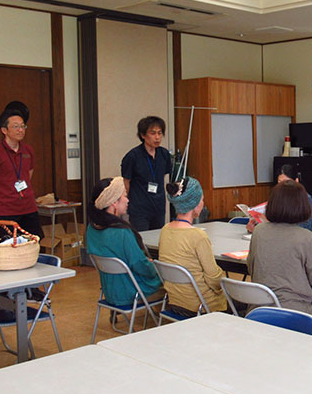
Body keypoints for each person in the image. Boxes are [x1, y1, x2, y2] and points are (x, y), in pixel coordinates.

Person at [247, 180, 312, 337]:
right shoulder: (306, 237)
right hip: (296, 315)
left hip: (259, 311)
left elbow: (251, 267)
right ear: (302, 206)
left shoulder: (259, 231)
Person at [86, 176, 162, 307]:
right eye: (125, 196)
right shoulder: (122, 232)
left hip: (110, 291)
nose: (128, 200)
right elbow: (140, 265)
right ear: (114, 202)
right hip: (133, 292)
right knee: (170, 278)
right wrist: (156, 268)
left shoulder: (91, 229)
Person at [158, 177, 227, 315]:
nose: (203, 203)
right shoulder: (198, 236)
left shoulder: (165, 230)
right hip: (203, 305)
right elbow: (214, 279)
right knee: (244, 304)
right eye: (202, 200)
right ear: (195, 204)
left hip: (176, 302)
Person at [0, 101, 43, 240]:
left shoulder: (28, 150)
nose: (21, 130)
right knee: (9, 250)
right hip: (4, 212)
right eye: (15, 127)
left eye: (22, 126)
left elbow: (27, 177)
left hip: (28, 209)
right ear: (4, 130)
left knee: (33, 247)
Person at [121, 116, 172, 231]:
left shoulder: (164, 154)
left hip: (158, 206)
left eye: (160, 133)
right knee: (141, 241)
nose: (157, 137)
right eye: (153, 133)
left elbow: (162, 176)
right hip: (139, 208)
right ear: (143, 135)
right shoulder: (132, 156)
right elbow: (126, 183)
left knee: (157, 239)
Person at [246, 164, 312, 233]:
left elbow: (306, 227)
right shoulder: (276, 198)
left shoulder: (305, 198)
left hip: (299, 237)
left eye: (286, 182)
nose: (282, 186)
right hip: (278, 236)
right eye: (279, 182)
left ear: (296, 181)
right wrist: (255, 228)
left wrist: (274, 225)